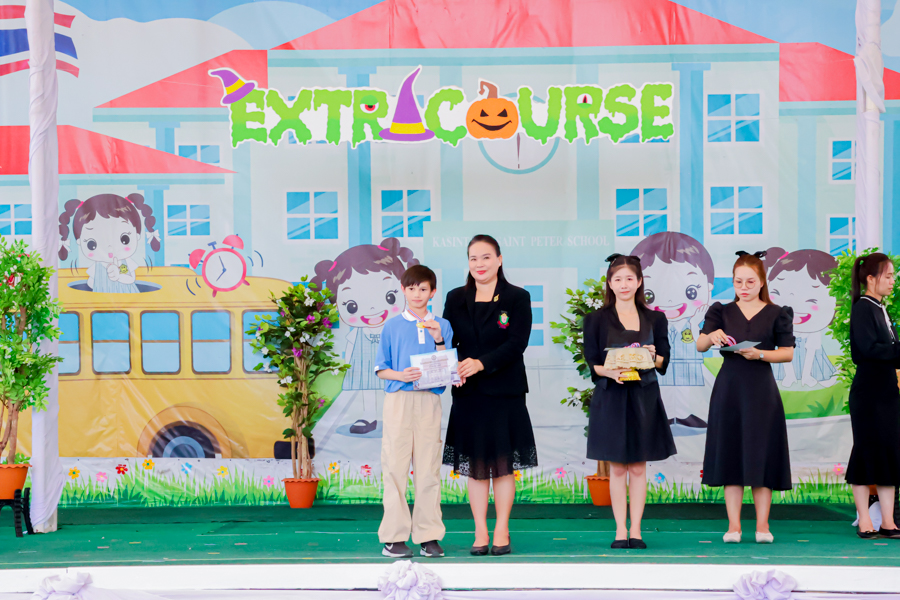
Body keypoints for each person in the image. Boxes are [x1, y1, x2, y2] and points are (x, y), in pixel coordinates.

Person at [442, 234, 537, 556]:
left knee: (503, 465)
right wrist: (453, 366)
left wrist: (481, 363)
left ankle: (502, 529)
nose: (479, 264)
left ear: (499, 259)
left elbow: (517, 343)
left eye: (486, 257)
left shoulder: (517, 297)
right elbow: (448, 341)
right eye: (473, 258)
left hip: (504, 392)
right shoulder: (456, 297)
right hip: (468, 392)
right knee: (476, 465)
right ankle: (480, 530)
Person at [696, 251, 795, 544]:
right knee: (731, 456)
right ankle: (734, 526)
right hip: (729, 390)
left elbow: (787, 353)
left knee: (762, 455)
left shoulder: (777, 313)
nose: (744, 287)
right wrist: (712, 336)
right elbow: (701, 344)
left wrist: (760, 354)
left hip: (761, 391)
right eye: (738, 281)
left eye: (750, 281)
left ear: (762, 281)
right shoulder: (721, 311)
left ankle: (763, 526)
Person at [582, 254, 676, 549]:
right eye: (618, 279)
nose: (624, 284)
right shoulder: (595, 320)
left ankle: (636, 530)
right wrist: (609, 371)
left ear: (639, 282)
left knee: (637, 467)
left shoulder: (655, 319)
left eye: (629, 279)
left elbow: (664, 362)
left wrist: (651, 355)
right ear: (610, 283)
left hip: (643, 397)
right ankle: (620, 530)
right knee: (617, 468)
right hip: (611, 396)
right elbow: (592, 362)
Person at [374, 264, 453, 558]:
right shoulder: (392, 326)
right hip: (398, 400)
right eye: (411, 288)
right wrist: (400, 375)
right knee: (395, 466)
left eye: (423, 289)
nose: (417, 294)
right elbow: (380, 369)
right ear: (403, 291)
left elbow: (447, 368)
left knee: (428, 468)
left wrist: (438, 338)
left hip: (429, 401)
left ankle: (428, 536)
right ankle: (393, 538)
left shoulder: (442, 325)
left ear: (433, 292)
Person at [311, 238, 418, 439]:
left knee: (393, 386)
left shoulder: (397, 328)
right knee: (367, 388)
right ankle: (369, 416)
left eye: (390, 297)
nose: (373, 309)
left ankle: (397, 416)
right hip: (364, 356)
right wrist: (349, 361)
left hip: (392, 359)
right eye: (352, 306)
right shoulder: (357, 334)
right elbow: (351, 344)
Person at [632, 232, 715, 431]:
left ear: (708, 287)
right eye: (649, 295)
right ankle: (666, 415)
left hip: (687, 358)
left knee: (684, 386)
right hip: (661, 361)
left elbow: (701, 344)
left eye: (690, 291)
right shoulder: (648, 322)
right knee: (665, 385)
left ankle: (684, 414)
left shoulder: (695, 321)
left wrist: (694, 323)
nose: (670, 301)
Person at [845, 253, 900, 539]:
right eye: (888, 276)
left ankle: (888, 522)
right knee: (866, 451)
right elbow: (867, 349)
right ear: (870, 278)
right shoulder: (863, 308)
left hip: (888, 391)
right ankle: (865, 518)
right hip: (869, 392)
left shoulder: (881, 308)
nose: (892, 281)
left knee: (890, 453)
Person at [58, 193, 161, 293]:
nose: (109, 248)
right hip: (100, 301)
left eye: (125, 239)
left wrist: (119, 276)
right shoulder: (96, 266)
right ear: (79, 242)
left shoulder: (125, 263)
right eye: (92, 244)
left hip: (128, 301)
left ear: (137, 235)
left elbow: (131, 279)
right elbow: (91, 282)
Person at [769, 250, 839, 389]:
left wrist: (806, 375)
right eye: (777, 292)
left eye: (812, 300)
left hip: (811, 359)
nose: (793, 302)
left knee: (813, 358)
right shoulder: (778, 326)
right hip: (781, 358)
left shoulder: (813, 331)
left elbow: (811, 351)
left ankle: (807, 376)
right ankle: (788, 376)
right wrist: (789, 375)